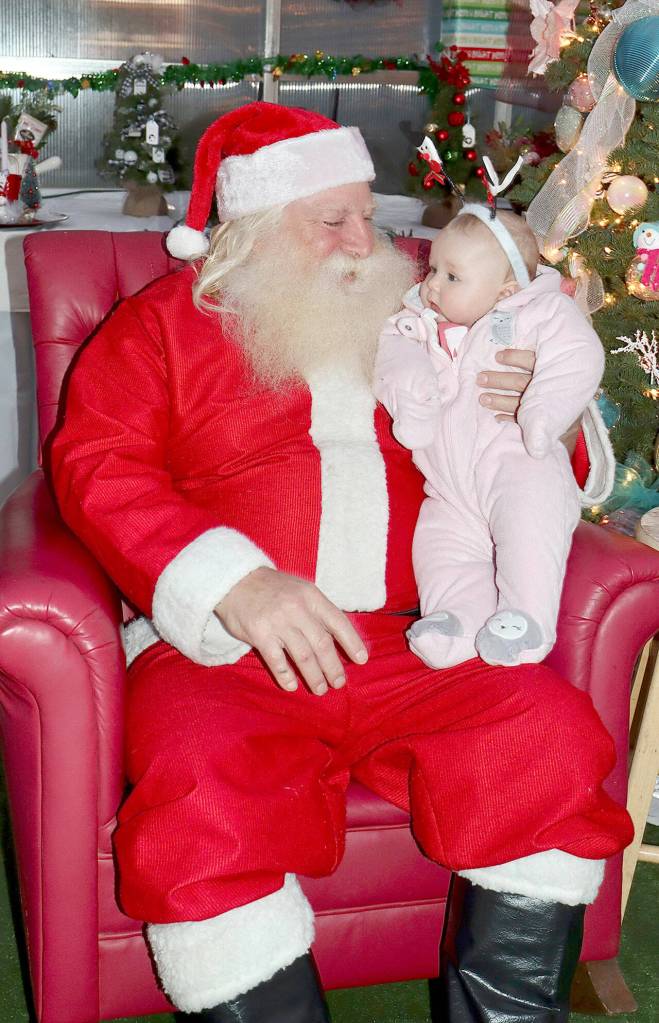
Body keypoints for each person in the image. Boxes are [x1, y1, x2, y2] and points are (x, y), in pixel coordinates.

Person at [50, 102, 632, 1023]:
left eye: (368, 212)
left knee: (546, 738)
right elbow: (95, 465)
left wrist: (540, 409)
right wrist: (231, 582)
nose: (370, 241)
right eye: (334, 220)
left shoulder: (430, 318)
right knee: (202, 791)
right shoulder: (159, 327)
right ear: (253, 225)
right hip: (225, 654)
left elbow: (503, 463)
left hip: (419, 638)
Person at [373, 205, 609, 669]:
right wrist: (412, 395)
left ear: (505, 291)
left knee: (528, 537)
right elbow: (390, 357)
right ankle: (456, 622)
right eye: (433, 269)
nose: (432, 284)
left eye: (452, 276)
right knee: (442, 549)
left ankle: (526, 620)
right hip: (449, 490)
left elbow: (578, 356)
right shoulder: (417, 320)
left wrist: (543, 414)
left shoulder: (538, 313)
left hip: (522, 467)